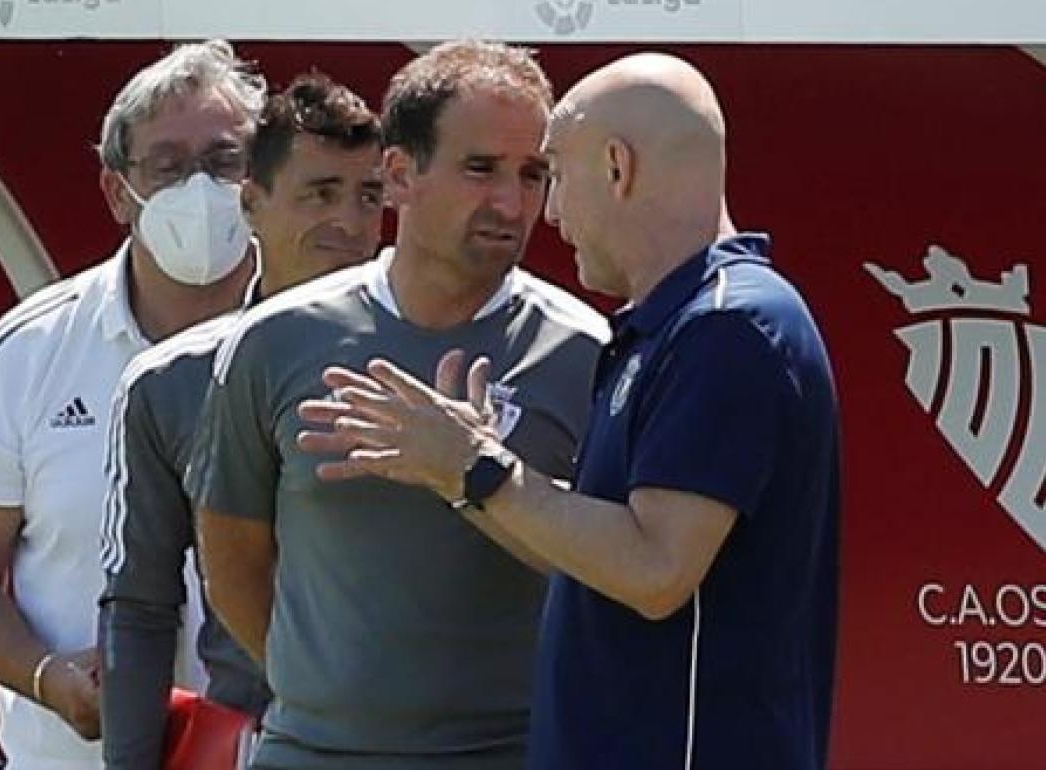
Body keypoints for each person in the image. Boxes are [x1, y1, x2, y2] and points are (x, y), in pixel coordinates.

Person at [298, 52, 841, 770]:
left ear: (617, 168)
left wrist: (475, 466)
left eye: (551, 174)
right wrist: (464, 474)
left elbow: (654, 570)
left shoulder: (727, 327)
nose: (546, 213)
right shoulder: (673, 325)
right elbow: (603, 552)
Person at [187, 40, 609, 770]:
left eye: (533, 173)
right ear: (398, 174)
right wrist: (329, 701)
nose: (511, 203)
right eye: (480, 169)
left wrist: (476, 476)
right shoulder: (276, 342)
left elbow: (616, 568)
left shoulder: (587, 353)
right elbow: (230, 558)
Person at [0, 40, 266, 767]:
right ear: (118, 192)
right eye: (168, 167)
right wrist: (48, 679)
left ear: (260, 178)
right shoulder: (32, 347)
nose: (199, 190)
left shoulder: (317, 335)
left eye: (224, 160)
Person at [97, 72, 386, 770]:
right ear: (251, 203)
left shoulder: (441, 362)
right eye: (320, 194)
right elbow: (138, 606)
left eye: (370, 196)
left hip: (427, 740)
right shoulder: (171, 382)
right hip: (255, 735)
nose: (348, 222)